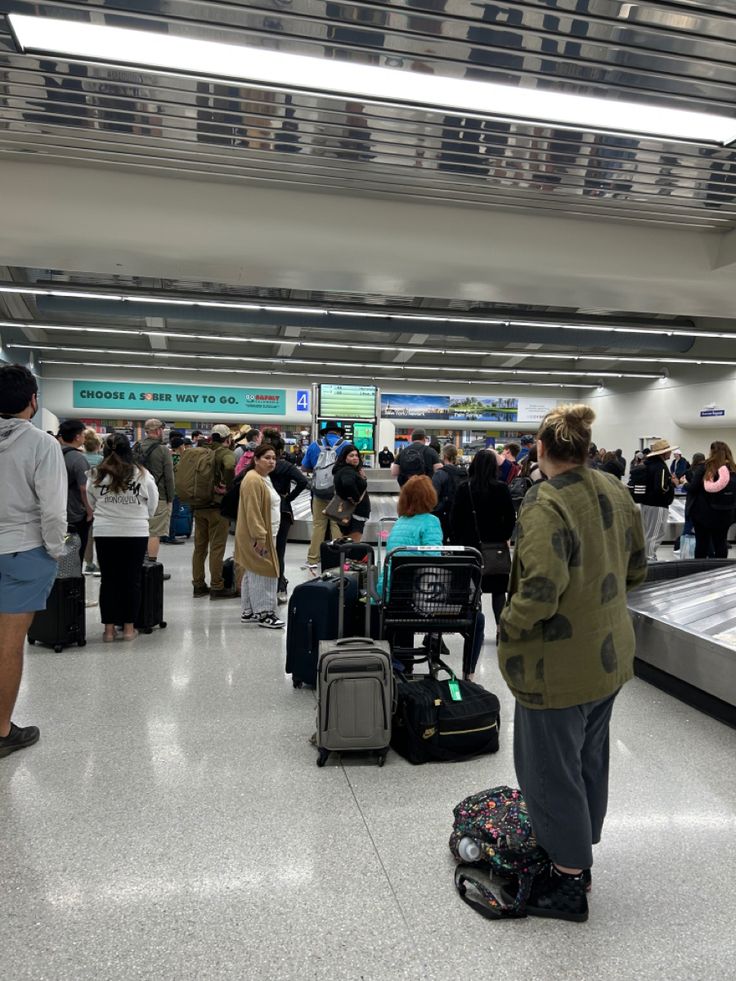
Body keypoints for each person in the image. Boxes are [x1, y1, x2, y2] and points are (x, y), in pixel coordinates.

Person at [498, 404, 647, 922]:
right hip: (608, 656)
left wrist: (507, 624)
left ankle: (565, 881)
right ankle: (579, 851)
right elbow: (637, 567)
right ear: (587, 448)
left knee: (548, 770)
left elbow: (538, 591)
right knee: (588, 757)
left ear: (540, 449)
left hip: (555, 668)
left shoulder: (544, 503)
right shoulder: (615, 489)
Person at [0, 364, 67, 759]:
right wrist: (57, 550)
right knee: (9, 644)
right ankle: (3, 730)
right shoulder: (42, 444)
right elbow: (53, 511)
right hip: (24, 551)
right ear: (33, 401)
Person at [87, 434, 159, 642]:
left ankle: (109, 630)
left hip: (105, 531)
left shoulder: (94, 474)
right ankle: (128, 629)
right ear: (129, 450)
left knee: (109, 580)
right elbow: (152, 504)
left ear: (104, 450)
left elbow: (92, 502)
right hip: (134, 531)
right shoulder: (141, 474)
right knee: (131, 580)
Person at [450, 449, 516, 670]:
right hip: (495, 548)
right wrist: (503, 537)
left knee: (472, 588)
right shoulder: (501, 488)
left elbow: (455, 519)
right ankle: (500, 629)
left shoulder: (463, 488)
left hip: (470, 548)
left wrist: (460, 541)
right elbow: (510, 518)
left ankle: (472, 623)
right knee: (499, 590)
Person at [236, 443, 284, 628]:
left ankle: (249, 611)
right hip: (258, 535)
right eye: (266, 458)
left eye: (273, 458)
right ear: (256, 459)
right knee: (265, 571)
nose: (271, 461)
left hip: (266, 532)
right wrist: (259, 537)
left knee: (252, 570)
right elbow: (252, 511)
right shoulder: (253, 480)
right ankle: (265, 613)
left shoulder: (263, 478)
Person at [261, 428, 309, 605]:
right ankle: (280, 585)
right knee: (279, 550)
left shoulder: (256, 466)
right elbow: (304, 482)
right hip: (282, 509)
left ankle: (263, 586)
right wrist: (288, 497)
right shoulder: (285, 466)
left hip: (261, 508)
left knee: (261, 549)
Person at [191, 424, 237, 599]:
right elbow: (230, 465)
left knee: (199, 548)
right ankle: (217, 586)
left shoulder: (202, 451)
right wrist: (226, 485)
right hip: (217, 507)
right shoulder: (224, 452)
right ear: (227, 438)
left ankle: (198, 585)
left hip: (199, 505)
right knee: (217, 547)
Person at [302, 422, 347, 571]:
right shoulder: (345, 445)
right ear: (339, 433)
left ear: (325, 432)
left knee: (318, 525)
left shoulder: (315, 445)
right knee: (336, 525)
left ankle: (313, 559)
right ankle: (338, 558)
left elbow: (304, 467)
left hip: (319, 491)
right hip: (338, 492)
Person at [135, 419, 175, 573]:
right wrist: (171, 498)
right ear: (158, 431)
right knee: (154, 532)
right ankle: (151, 568)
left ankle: (140, 563)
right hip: (159, 495)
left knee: (141, 530)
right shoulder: (163, 450)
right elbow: (169, 476)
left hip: (138, 494)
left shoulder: (137, 446)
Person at [686, 441, 736, 559]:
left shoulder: (705, 467)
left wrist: (684, 484)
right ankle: (720, 572)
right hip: (726, 513)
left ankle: (700, 572)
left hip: (703, 514)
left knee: (702, 544)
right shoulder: (733, 469)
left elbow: (693, 488)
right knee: (721, 543)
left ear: (712, 452)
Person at [58, 419, 93, 563]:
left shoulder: (54, 453)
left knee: (62, 551)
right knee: (76, 552)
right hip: (75, 513)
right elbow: (84, 488)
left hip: (56, 510)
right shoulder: (78, 459)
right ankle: (73, 580)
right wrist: (89, 510)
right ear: (77, 437)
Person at [638, 438, 677, 561]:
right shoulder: (660, 467)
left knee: (648, 532)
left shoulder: (648, 464)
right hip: (657, 505)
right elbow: (661, 487)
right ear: (663, 453)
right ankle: (649, 558)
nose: (670, 453)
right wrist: (672, 484)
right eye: (668, 451)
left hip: (646, 503)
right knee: (656, 532)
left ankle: (646, 556)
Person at [332, 443, 371, 543]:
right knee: (353, 544)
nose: (355, 458)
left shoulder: (343, 470)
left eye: (356, 455)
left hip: (347, 512)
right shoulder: (348, 470)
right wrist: (356, 498)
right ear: (345, 458)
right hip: (355, 513)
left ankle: (345, 558)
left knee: (347, 543)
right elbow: (348, 483)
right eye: (351, 456)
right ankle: (351, 559)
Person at [432, 443, 467, 543]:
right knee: (458, 546)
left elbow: (433, 496)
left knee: (439, 543)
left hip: (443, 515)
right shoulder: (464, 473)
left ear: (444, 456)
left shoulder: (440, 473)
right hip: (460, 515)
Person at [83, 430, 104, 574]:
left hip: (80, 501)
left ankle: (88, 563)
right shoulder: (101, 461)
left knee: (87, 534)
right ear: (98, 446)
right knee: (99, 533)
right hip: (97, 500)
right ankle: (100, 564)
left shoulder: (80, 458)